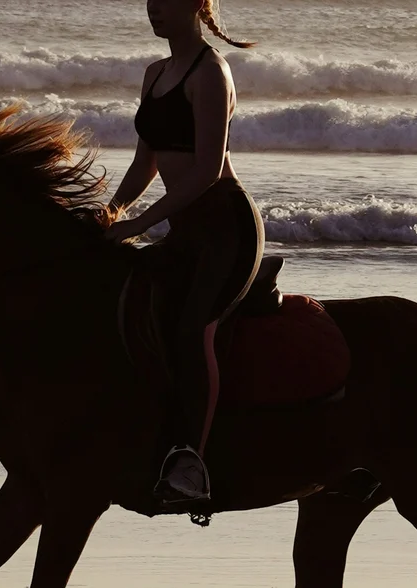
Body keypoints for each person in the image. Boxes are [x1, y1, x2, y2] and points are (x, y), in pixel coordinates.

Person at [106, 0, 264, 510]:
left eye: (166, 2)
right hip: (186, 229)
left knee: (193, 329)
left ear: (197, 5)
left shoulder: (211, 72)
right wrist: (111, 211)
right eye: (150, 2)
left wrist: (141, 223)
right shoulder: (155, 73)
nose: (155, 11)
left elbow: (206, 171)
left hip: (226, 226)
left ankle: (191, 461)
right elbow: (144, 165)